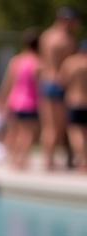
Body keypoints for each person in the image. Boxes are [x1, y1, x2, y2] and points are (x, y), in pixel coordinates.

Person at [39, 7, 81, 170]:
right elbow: (66, 68)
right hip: (59, 84)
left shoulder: (46, 36)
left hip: (47, 82)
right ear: (66, 21)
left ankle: (49, 159)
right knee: (62, 127)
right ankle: (51, 160)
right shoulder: (65, 40)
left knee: (50, 125)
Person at [0, 31, 42, 171]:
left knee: (14, 131)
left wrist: (2, 99)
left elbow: (8, 83)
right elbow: (39, 85)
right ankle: (22, 159)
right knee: (27, 133)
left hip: (14, 101)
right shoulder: (39, 63)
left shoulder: (16, 61)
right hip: (31, 102)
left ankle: (14, 159)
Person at [60, 40, 87, 169]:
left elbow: (62, 81)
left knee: (75, 132)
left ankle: (82, 160)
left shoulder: (71, 63)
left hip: (74, 101)